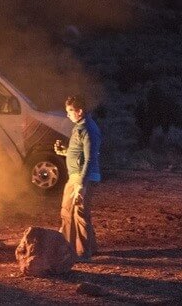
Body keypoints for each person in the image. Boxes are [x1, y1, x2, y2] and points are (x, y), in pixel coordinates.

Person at [54, 93, 101, 260]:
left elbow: (89, 158)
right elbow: (80, 153)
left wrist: (81, 184)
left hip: (81, 177)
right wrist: (65, 152)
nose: (67, 114)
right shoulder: (80, 126)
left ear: (79, 111)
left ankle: (79, 252)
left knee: (76, 213)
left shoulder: (88, 129)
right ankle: (85, 248)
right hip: (77, 176)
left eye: (70, 111)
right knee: (75, 212)